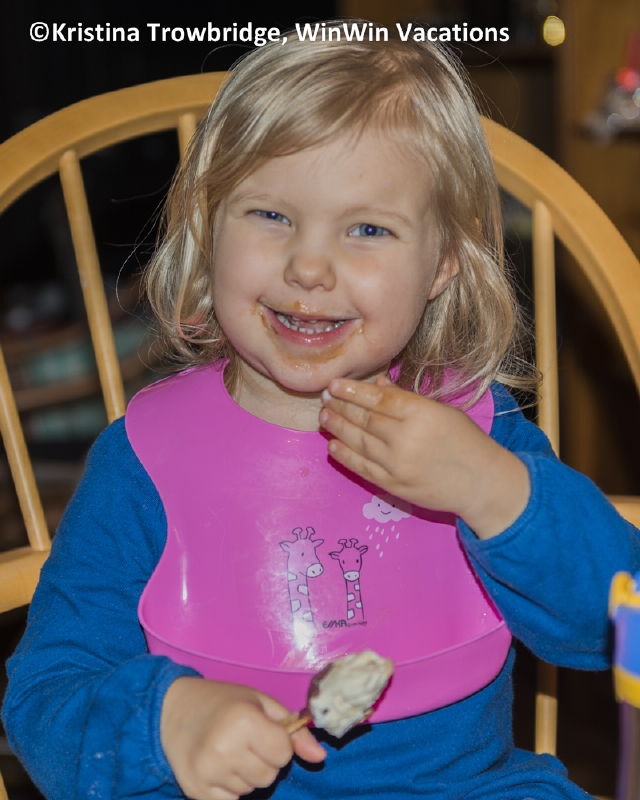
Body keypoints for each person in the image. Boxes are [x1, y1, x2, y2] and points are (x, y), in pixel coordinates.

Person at [3, 28, 639, 800]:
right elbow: (47, 695)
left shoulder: (480, 433)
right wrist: (163, 719)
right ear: (209, 226)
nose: (309, 266)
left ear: (443, 261)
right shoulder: (143, 461)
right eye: (270, 215)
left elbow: (615, 621)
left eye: (368, 229)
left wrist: (497, 492)